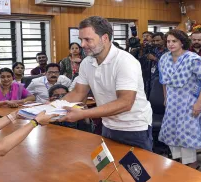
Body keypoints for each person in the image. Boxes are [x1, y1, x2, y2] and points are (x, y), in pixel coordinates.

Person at [60, 16, 153, 151]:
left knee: (134, 171)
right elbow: (77, 93)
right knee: (109, 170)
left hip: (134, 128)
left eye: (87, 40)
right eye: (81, 40)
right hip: (108, 125)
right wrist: (51, 107)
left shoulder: (125, 61)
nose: (82, 45)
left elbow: (125, 103)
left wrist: (83, 114)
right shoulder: (87, 62)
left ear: (104, 38)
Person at [158, 29, 201, 169]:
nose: (170, 44)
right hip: (172, 103)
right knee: (171, 133)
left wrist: (199, 103)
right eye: (168, 41)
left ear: (182, 42)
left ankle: (192, 166)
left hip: (189, 103)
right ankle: (178, 165)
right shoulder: (164, 58)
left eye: (174, 41)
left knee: (186, 136)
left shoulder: (193, 59)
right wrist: (165, 98)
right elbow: (164, 81)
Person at [145, 32, 169, 99]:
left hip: (162, 79)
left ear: (164, 40)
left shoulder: (168, 51)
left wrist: (154, 58)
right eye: (154, 41)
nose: (155, 43)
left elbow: (168, 64)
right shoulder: (152, 50)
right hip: (151, 77)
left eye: (158, 40)